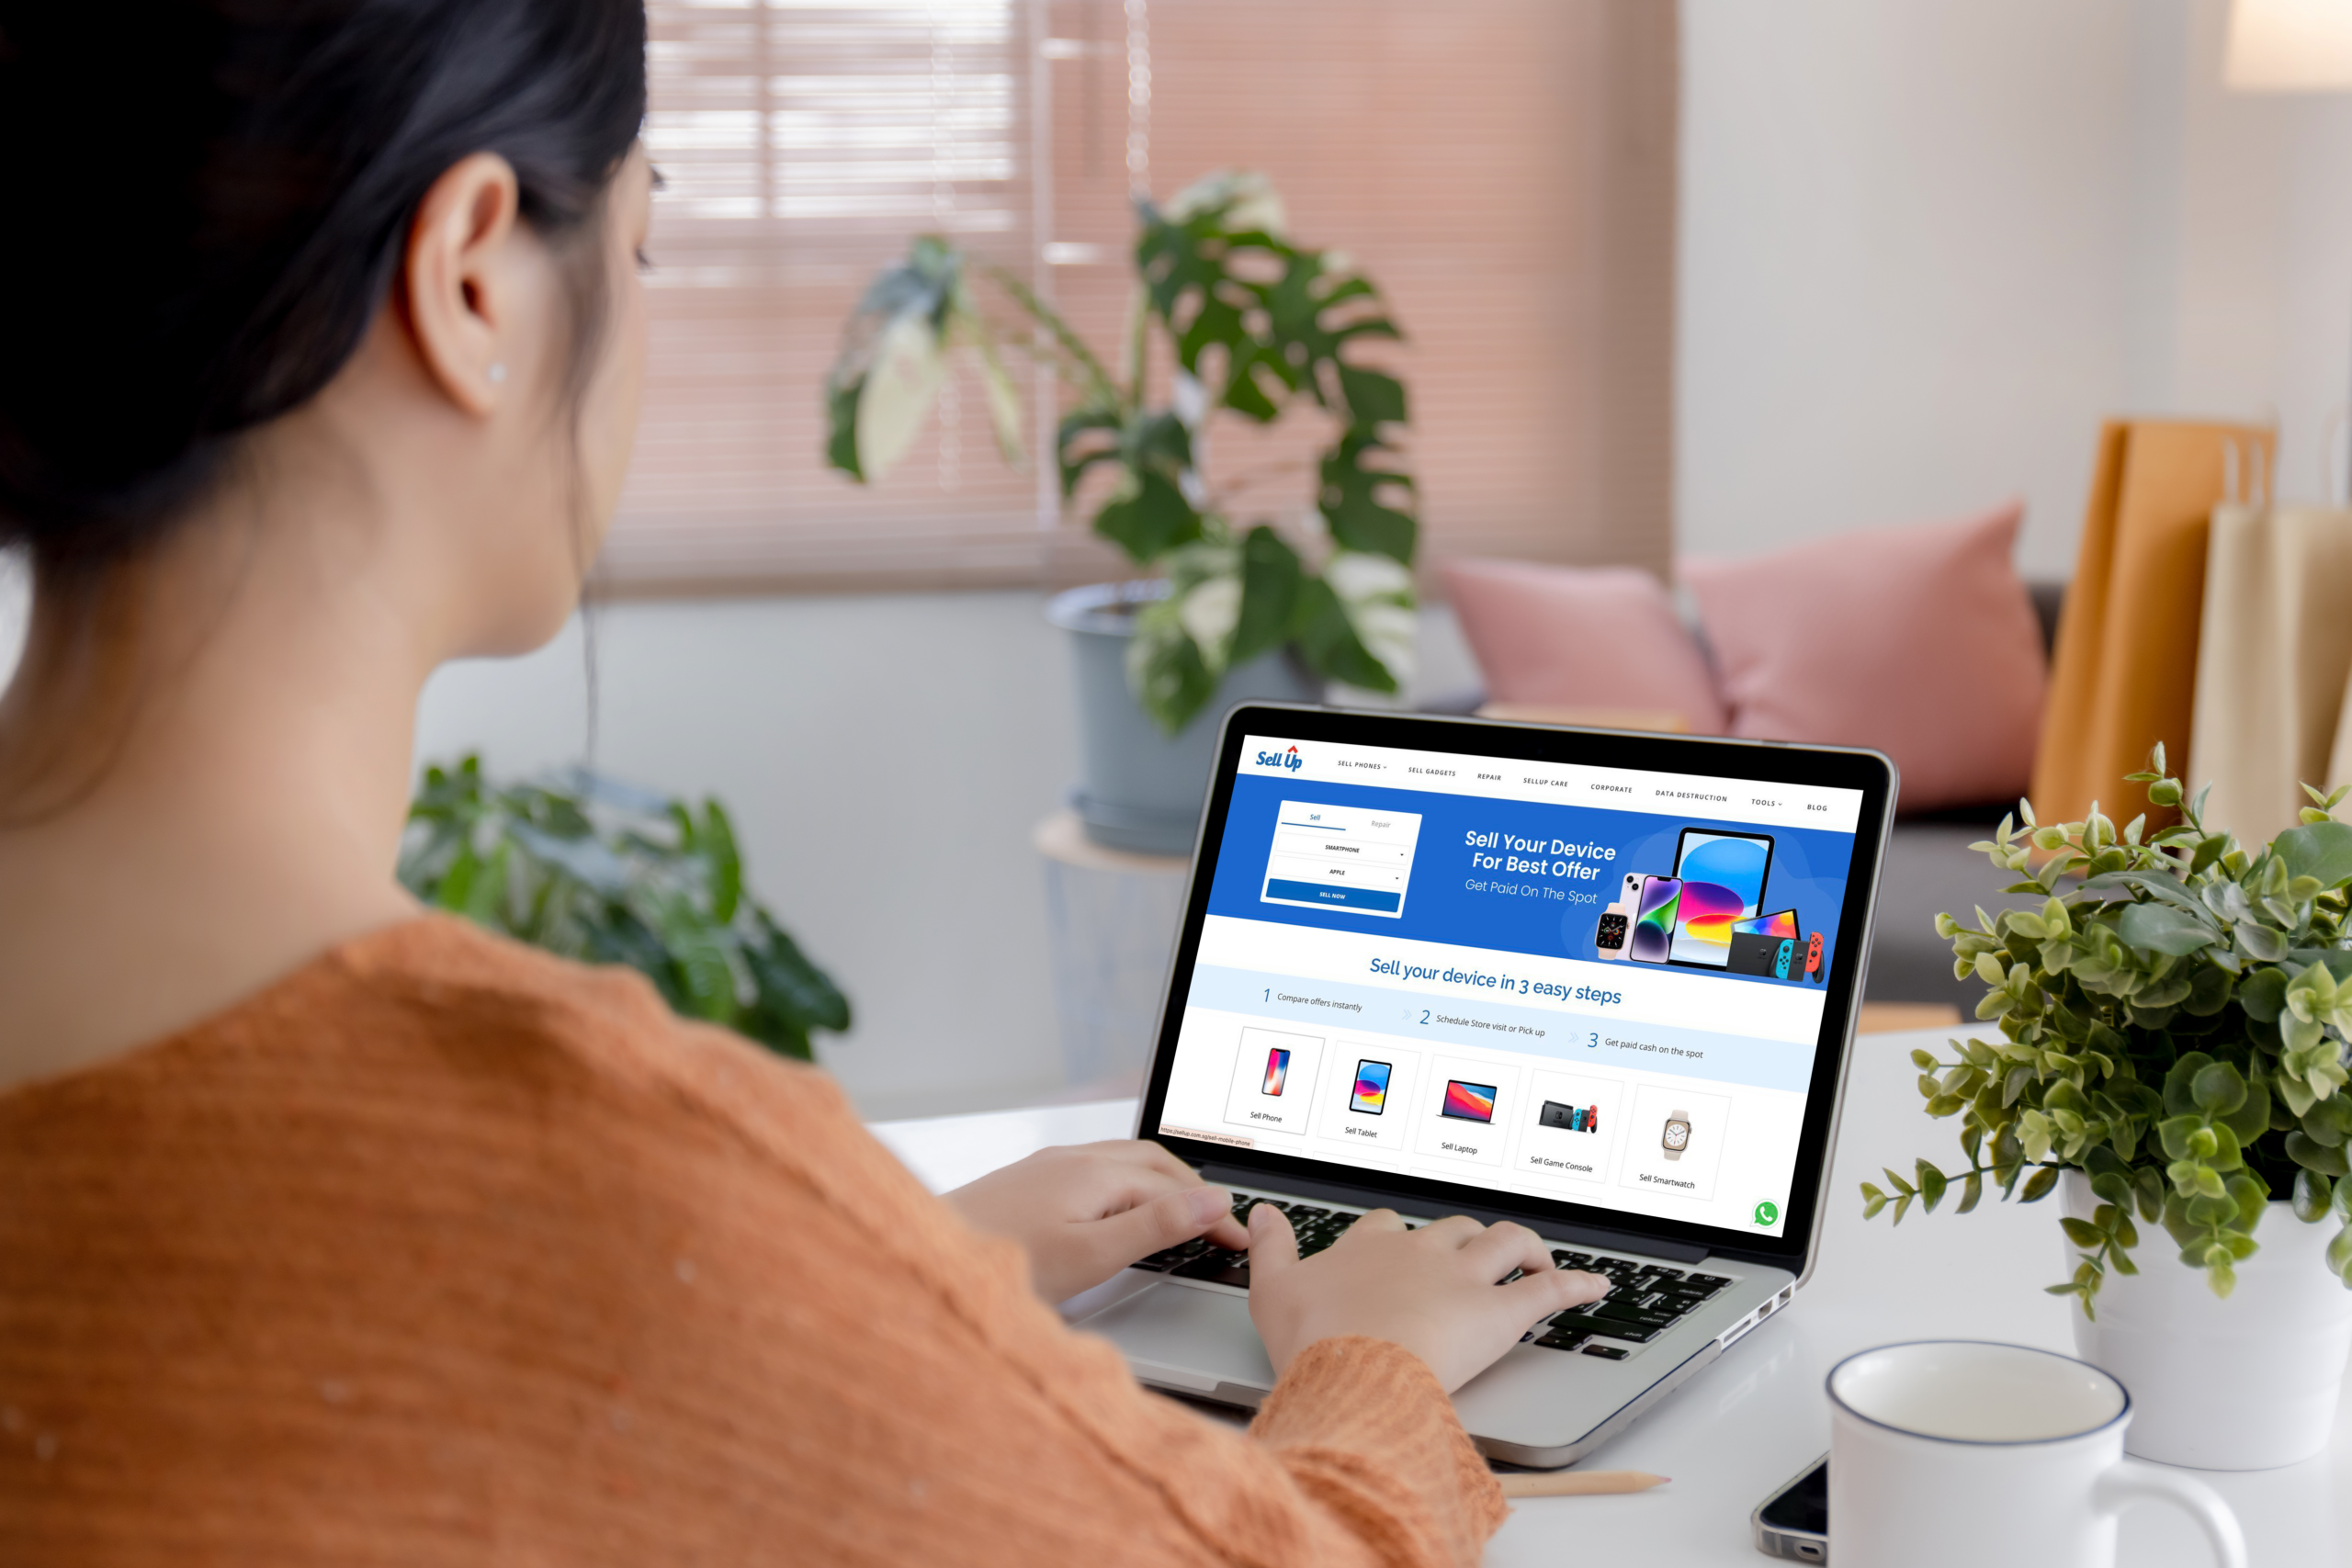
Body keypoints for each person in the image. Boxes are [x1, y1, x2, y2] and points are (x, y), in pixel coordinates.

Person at [0, 3, 1608, 1562]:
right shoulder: (581, 1157)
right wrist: (1377, 1361)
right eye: (638, 246)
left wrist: (863, 1273)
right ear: (476, 277)